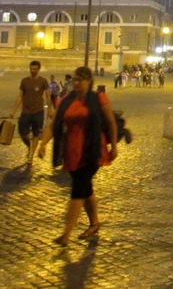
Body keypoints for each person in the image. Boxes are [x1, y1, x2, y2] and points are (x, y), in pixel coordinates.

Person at [37, 66, 117, 245]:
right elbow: (54, 123)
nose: (77, 83)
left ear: (89, 81)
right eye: (75, 80)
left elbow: (111, 122)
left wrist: (114, 146)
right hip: (72, 151)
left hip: (93, 150)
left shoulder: (98, 98)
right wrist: (43, 144)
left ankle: (66, 233)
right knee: (85, 187)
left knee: (78, 189)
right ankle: (94, 223)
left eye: (80, 80)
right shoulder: (66, 100)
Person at [8, 60, 52, 165]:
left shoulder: (43, 81)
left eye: (35, 69)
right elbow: (20, 96)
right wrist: (13, 111)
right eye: (31, 69)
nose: (33, 71)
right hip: (26, 111)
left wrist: (50, 109)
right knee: (23, 133)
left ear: (38, 69)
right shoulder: (25, 81)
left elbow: (47, 96)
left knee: (36, 133)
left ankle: (31, 156)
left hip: (38, 111)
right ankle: (29, 146)